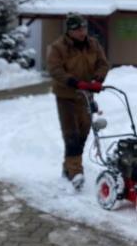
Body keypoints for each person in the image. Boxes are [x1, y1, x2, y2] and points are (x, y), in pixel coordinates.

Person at [47, 13, 110, 190]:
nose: (83, 32)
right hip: (66, 96)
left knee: (83, 133)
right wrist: (74, 82)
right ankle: (76, 172)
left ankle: (68, 168)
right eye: (78, 29)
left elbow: (103, 64)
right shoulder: (59, 47)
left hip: (86, 96)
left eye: (84, 28)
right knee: (71, 134)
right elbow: (54, 69)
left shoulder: (93, 44)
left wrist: (98, 80)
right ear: (70, 31)